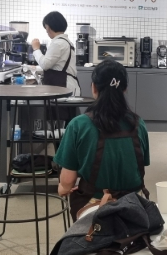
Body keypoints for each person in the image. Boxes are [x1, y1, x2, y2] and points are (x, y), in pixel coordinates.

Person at [53, 60, 150, 220]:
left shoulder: (78, 125)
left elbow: (67, 183)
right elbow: (138, 167)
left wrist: (62, 188)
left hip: (93, 211)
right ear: (125, 88)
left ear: (94, 87)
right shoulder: (138, 124)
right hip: (133, 210)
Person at [31, 11, 80, 95]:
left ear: (49, 27)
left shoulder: (58, 43)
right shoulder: (65, 42)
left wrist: (36, 49)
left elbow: (45, 64)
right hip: (67, 85)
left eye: (45, 27)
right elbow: (57, 66)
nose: (46, 30)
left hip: (63, 86)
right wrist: (36, 68)